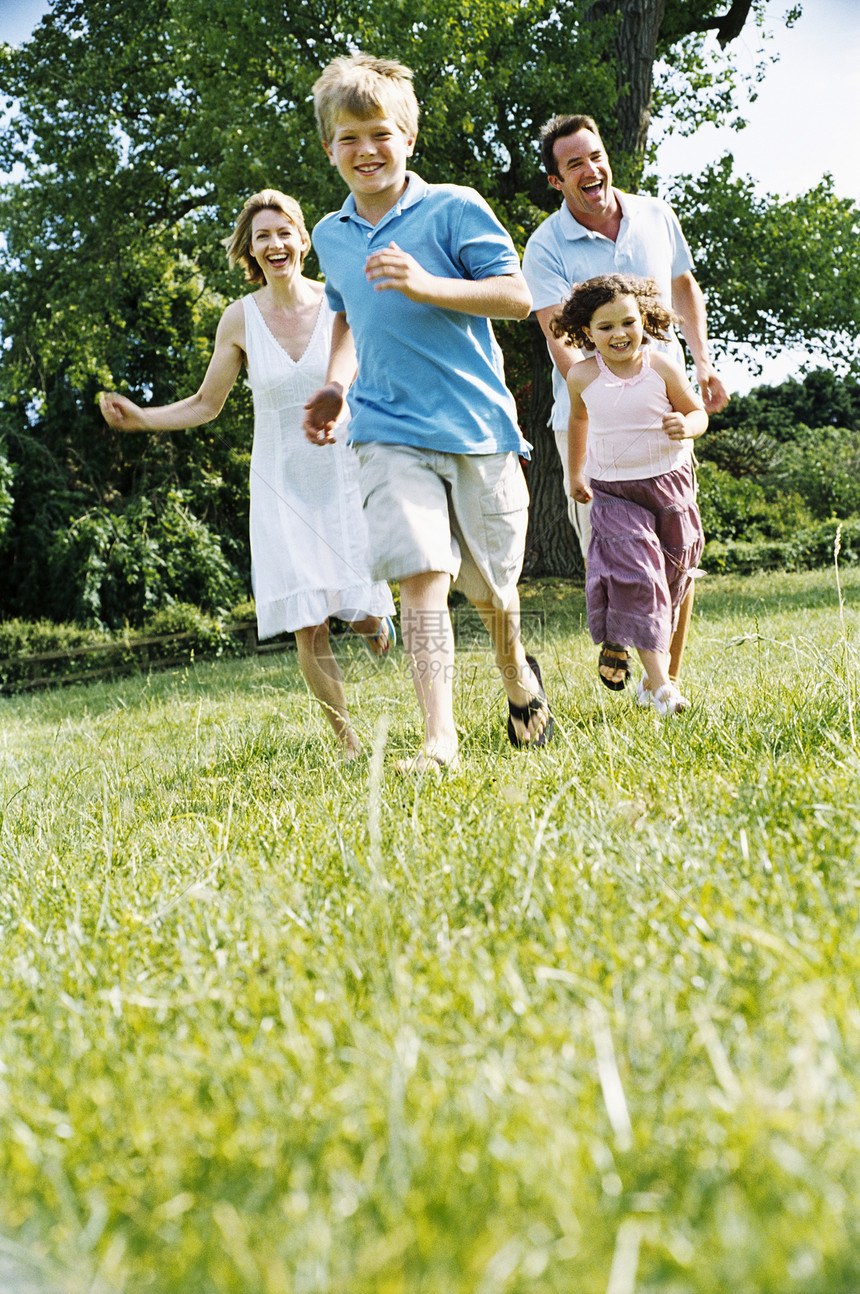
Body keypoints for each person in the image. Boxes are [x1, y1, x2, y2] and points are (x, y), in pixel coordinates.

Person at [303, 53, 552, 774]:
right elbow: (348, 315)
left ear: (408, 138)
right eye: (348, 139)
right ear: (330, 151)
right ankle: (439, 740)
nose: (365, 150)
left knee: (492, 595)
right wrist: (336, 385)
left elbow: (516, 297)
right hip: (386, 428)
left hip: (476, 427)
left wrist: (428, 283)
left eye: (379, 133)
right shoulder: (331, 234)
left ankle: (516, 677)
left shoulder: (454, 207)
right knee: (419, 572)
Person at [99, 189, 395, 761]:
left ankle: (371, 618)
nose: (275, 244)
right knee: (309, 623)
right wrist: (142, 420)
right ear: (250, 250)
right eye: (263, 236)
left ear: (303, 240)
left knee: (359, 610)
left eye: (284, 232)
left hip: (345, 473)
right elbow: (207, 403)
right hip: (283, 487)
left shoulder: (339, 303)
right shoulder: (239, 318)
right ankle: (349, 745)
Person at [521, 113, 728, 691]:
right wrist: (607, 393)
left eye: (596, 155)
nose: (591, 170)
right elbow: (558, 334)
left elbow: (684, 288)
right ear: (556, 182)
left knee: (679, 553)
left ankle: (661, 685)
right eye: (574, 164)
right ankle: (626, 634)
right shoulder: (544, 245)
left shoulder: (656, 216)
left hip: (665, 418)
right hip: (592, 426)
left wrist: (703, 363)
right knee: (617, 552)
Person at [552, 273, 707, 717]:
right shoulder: (582, 376)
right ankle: (663, 689)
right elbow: (578, 421)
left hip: (669, 486)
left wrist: (688, 425)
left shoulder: (661, 367)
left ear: (645, 320)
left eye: (628, 322)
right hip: (615, 493)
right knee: (641, 578)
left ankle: (641, 669)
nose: (619, 334)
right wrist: (575, 471)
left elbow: (696, 412)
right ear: (586, 333)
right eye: (605, 327)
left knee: (675, 579)